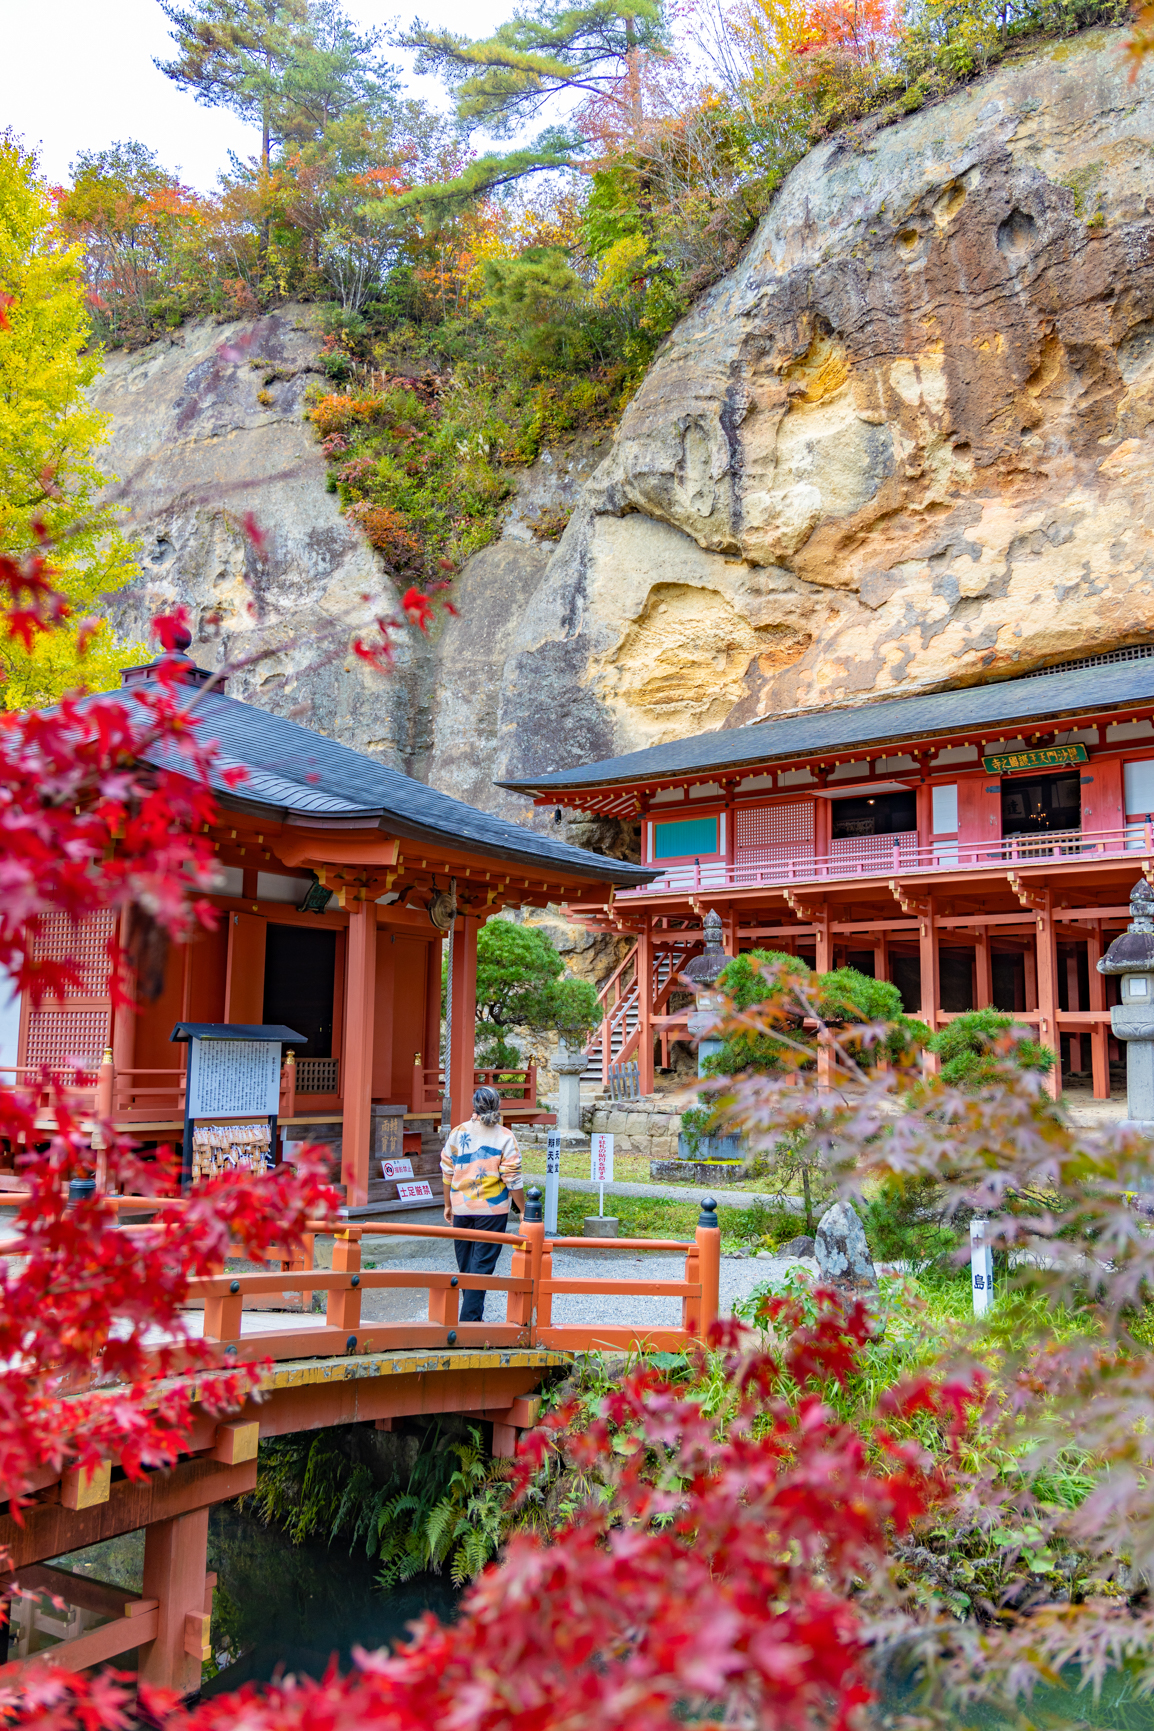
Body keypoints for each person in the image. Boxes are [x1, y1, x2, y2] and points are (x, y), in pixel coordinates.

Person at [440, 1085, 525, 1322]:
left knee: (466, 1264)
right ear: (497, 1105)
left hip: (461, 1207)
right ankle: (470, 1321)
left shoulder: (457, 1132)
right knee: (482, 1264)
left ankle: (470, 1317)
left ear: (474, 1105)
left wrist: (447, 1204)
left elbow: (447, 1171)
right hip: (492, 1209)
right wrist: (522, 1209)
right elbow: (513, 1177)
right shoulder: (505, 1136)